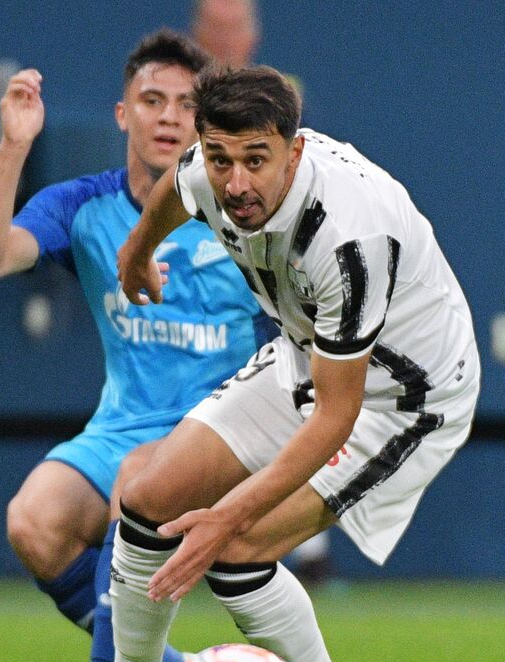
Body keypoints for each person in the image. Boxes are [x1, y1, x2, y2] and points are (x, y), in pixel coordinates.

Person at [71, 65, 480, 662]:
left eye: (256, 161)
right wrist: (137, 248)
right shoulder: (211, 168)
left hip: (402, 403)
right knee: (145, 502)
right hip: (307, 357)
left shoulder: (348, 240)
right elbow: (181, 184)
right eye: (222, 158)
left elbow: (335, 419)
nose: (236, 183)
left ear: (293, 152)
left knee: (238, 551)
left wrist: (225, 518)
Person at [0, 31, 273, 662]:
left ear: (204, 124)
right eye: (151, 100)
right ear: (123, 113)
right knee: (33, 522)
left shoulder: (240, 212)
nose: (167, 117)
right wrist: (13, 148)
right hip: (122, 425)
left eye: (185, 105)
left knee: (140, 480)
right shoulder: (84, 206)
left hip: (220, 431)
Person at [189, 0, 335, 584]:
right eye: (215, 24)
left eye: (235, 24)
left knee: (305, 396)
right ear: (197, 30)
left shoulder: (281, 94)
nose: (225, 36)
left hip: (267, 277)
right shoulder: (184, 96)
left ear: (254, 33)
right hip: (203, 268)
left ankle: (306, 554)